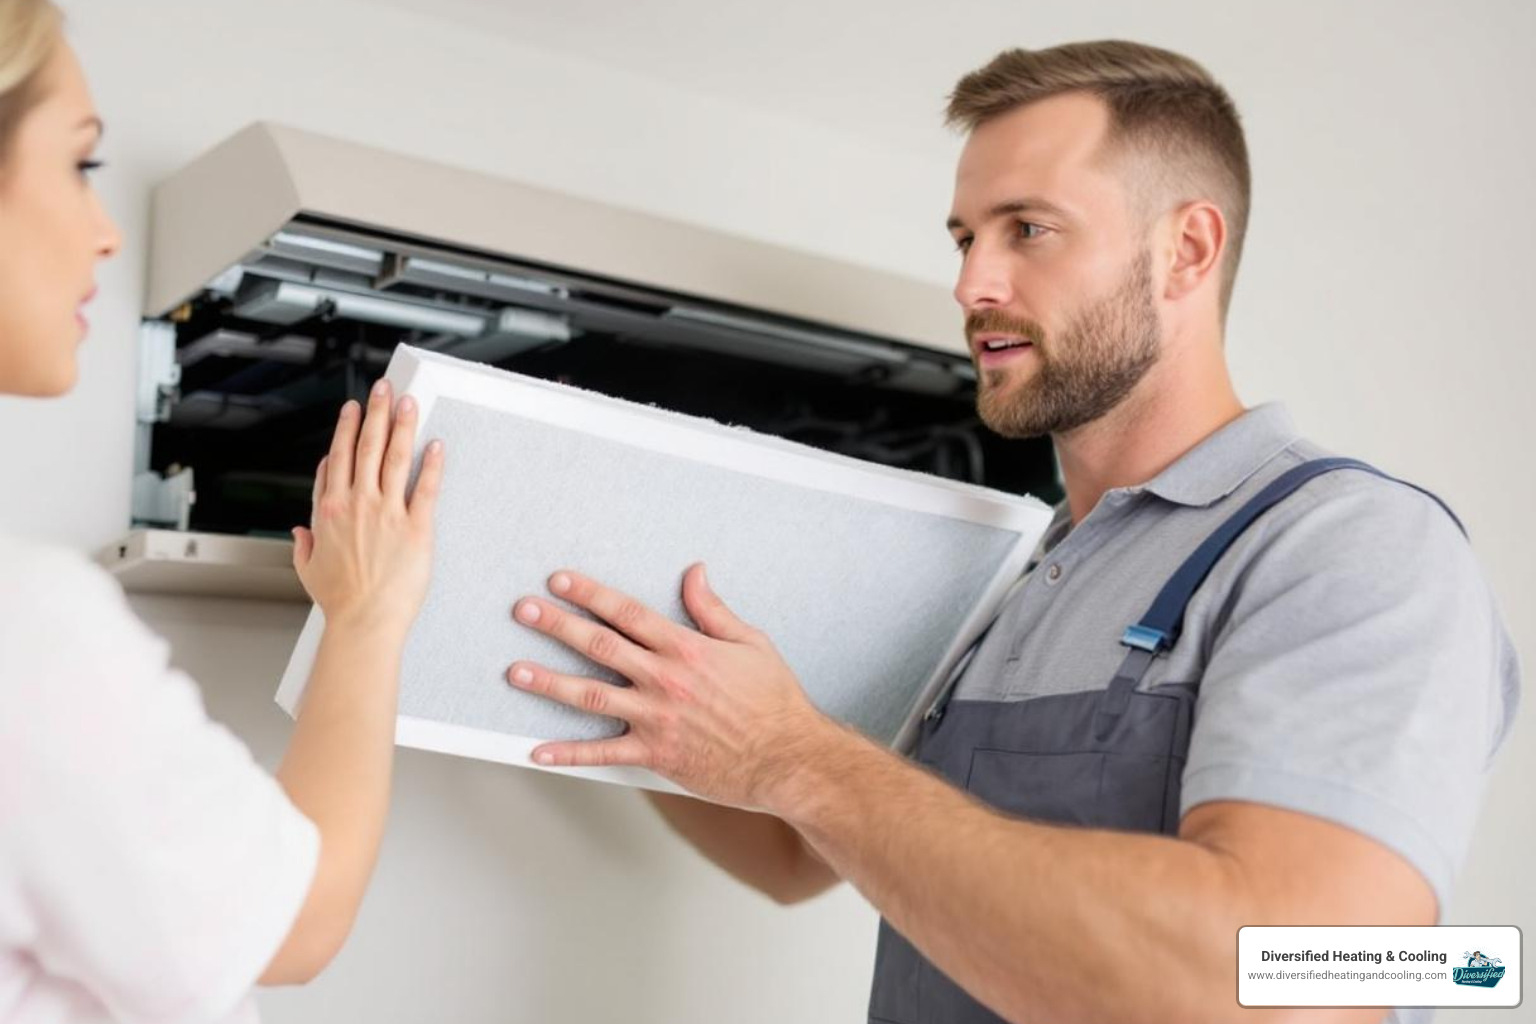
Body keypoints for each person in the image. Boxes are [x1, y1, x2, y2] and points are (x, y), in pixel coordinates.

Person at [498, 40, 1521, 1024]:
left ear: (1186, 250)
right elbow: (792, 856)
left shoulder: (1351, 548)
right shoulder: (1013, 583)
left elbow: (1291, 982)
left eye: (1027, 228)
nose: (971, 283)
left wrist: (791, 755)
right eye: (963, 236)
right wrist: (575, 647)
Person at [0, 3, 446, 1021]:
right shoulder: (22, 625)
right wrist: (367, 614)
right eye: (79, 166)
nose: (105, 229)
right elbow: (299, 924)